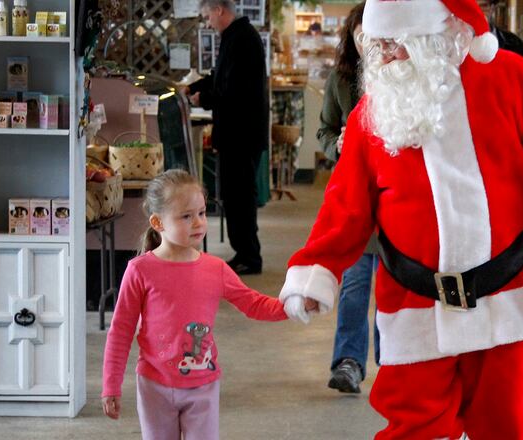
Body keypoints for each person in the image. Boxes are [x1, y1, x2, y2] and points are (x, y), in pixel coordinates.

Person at [280, 0, 523, 437]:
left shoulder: (512, 79)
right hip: (414, 306)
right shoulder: (373, 114)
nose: (382, 57)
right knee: (413, 429)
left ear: (434, 37)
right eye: (375, 44)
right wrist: (317, 268)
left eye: (395, 44)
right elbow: (345, 205)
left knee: (506, 425)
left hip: (507, 299)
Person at [101, 170, 296, 440]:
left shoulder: (215, 269)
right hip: (154, 385)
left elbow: (253, 303)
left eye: (202, 213)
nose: (198, 223)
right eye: (186, 216)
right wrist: (111, 385)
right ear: (158, 222)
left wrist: (293, 307)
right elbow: (121, 330)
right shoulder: (140, 270)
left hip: (203, 384)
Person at [316, 2, 379, 394]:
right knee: (355, 284)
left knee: (393, 285)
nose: (366, 42)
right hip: (354, 196)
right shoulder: (340, 80)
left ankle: (394, 362)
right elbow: (323, 130)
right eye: (359, 35)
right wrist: (337, 146)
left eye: (371, 33)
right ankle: (349, 361)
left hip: (396, 198)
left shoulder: (402, 75)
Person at [190, 0, 269, 275]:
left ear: (219, 10)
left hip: (241, 134)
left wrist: (205, 98)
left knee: (240, 197)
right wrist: (195, 87)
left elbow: (233, 89)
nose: (207, 22)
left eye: (207, 16)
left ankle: (249, 255)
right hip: (238, 133)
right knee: (236, 196)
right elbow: (221, 78)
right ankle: (243, 252)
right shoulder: (236, 37)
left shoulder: (241, 39)